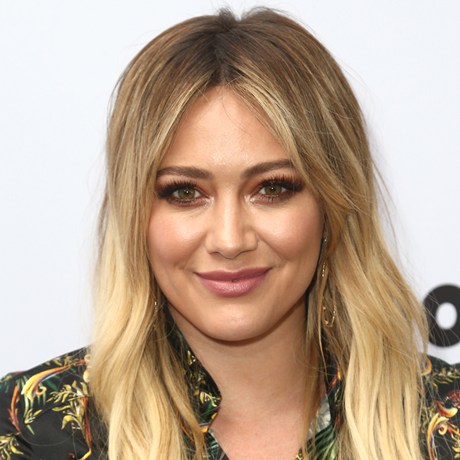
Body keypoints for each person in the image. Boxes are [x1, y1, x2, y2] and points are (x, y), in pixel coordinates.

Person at [0, 7, 459, 460]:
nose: (229, 239)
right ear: (134, 212)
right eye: (184, 192)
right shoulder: (30, 430)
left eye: (272, 188)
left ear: (332, 205)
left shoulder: (445, 421)